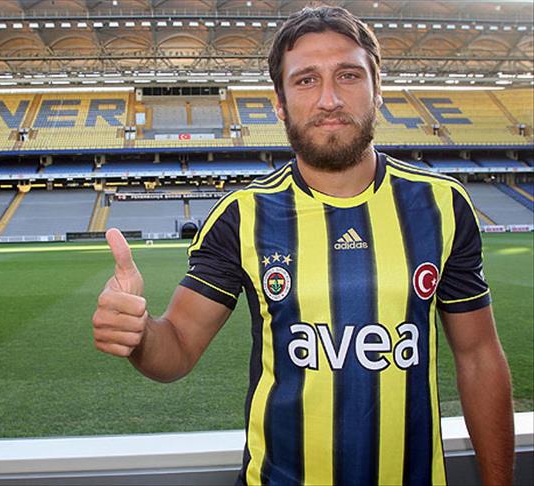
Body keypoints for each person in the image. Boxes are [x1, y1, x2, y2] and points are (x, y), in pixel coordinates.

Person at [92, 5, 514, 485]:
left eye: (348, 76)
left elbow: (479, 357)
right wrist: (141, 335)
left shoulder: (441, 204)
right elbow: (178, 349)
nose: (329, 99)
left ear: (377, 90)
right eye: (306, 80)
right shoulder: (242, 216)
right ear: (280, 102)